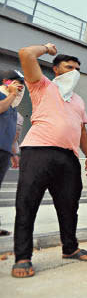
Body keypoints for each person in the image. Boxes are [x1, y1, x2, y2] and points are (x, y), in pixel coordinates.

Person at [12, 43, 87, 278]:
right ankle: (22, 257)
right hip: (38, 151)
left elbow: (81, 131)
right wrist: (47, 48)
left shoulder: (78, 101)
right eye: (69, 67)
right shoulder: (42, 85)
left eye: (77, 69)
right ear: (56, 70)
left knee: (69, 206)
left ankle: (70, 248)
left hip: (69, 157)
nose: (74, 72)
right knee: (27, 204)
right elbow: (25, 53)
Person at [0, 70, 25, 237]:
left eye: (22, 85)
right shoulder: (4, 98)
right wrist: (11, 95)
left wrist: (14, 153)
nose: (20, 87)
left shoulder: (14, 108)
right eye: (16, 83)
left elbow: (12, 133)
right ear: (6, 82)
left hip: (4, 151)